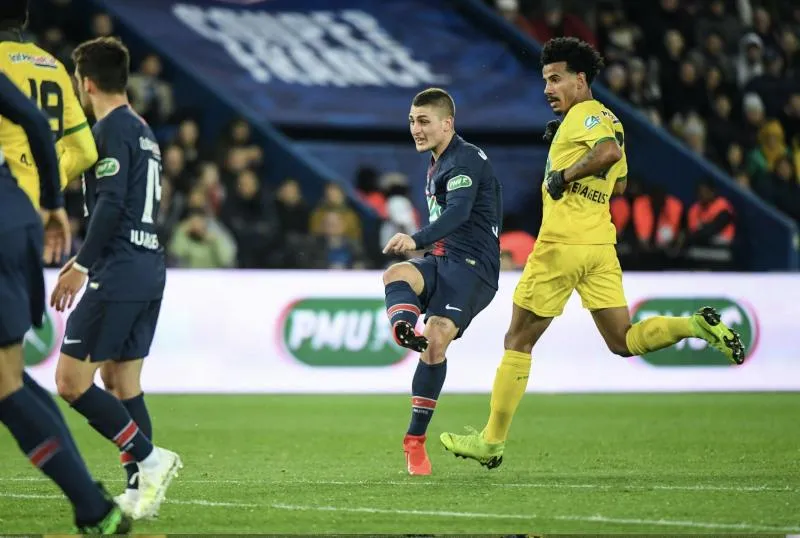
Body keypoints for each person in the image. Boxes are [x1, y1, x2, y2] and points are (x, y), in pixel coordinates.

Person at [440, 37, 745, 469]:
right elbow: (617, 182)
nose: (548, 88)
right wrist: (570, 150)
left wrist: (564, 172)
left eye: (556, 78)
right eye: (545, 79)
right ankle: (694, 324)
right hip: (600, 245)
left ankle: (491, 441)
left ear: (580, 80)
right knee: (623, 340)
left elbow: (607, 153)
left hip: (562, 243)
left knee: (517, 340)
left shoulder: (586, 115)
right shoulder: (610, 119)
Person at [49, 36, 181, 520]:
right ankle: (139, 486)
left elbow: (109, 202)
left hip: (119, 268)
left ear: (86, 83)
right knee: (121, 381)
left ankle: (150, 459)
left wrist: (81, 264)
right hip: (149, 264)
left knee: (70, 381)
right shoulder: (144, 129)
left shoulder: (109, 130)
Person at [0, 71, 131, 534]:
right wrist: (53, 201)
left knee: (4, 383)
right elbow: (36, 120)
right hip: (15, 213)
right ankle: (90, 499)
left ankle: (95, 510)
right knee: (8, 377)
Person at [382, 88, 503, 475]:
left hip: (473, 268)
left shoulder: (464, 160)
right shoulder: (438, 161)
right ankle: (403, 325)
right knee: (396, 274)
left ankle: (415, 440)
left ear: (447, 123)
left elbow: (459, 212)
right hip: (444, 259)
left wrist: (416, 238)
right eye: (412, 122)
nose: (415, 129)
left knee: (435, 341)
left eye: (423, 121)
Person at [0, 0, 98, 263]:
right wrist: (46, 176)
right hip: (40, 213)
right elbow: (86, 151)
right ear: (24, 20)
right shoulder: (53, 66)